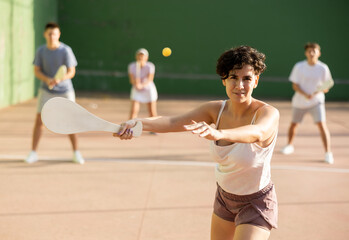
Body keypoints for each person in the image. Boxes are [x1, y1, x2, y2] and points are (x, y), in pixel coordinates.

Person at [115, 46, 279, 240]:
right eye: (233, 77)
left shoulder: (267, 113)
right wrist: (136, 124)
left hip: (256, 202)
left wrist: (219, 133)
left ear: (256, 81)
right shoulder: (215, 109)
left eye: (247, 78)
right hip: (225, 198)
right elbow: (172, 122)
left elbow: (257, 132)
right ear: (224, 79)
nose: (240, 85)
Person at [25, 22, 84, 164]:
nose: (52, 36)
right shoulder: (41, 51)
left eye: (55, 34)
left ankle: (76, 153)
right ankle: (33, 153)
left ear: (59, 35)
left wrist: (59, 79)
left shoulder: (66, 51)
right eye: (49, 34)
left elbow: (71, 72)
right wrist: (47, 79)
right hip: (46, 90)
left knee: (72, 121)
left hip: (65, 90)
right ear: (45, 35)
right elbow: (37, 70)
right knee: (39, 120)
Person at [280, 42, 334, 164]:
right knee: (294, 124)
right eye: (309, 51)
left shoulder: (323, 68)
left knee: (322, 125)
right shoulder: (299, 67)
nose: (311, 53)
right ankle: (289, 145)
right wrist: (305, 94)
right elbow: (295, 85)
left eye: (314, 51)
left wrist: (316, 92)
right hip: (299, 102)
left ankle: (328, 153)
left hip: (317, 102)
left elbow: (327, 86)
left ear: (319, 53)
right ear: (306, 53)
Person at [128, 48, 158, 120]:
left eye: (142, 55)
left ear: (146, 57)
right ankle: (129, 129)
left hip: (148, 90)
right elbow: (131, 80)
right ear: (136, 56)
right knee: (133, 111)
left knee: (152, 112)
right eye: (139, 55)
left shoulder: (150, 66)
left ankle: (154, 128)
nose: (140, 57)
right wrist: (136, 83)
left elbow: (150, 79)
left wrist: (142, 85)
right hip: (136, 89)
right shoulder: (131, 66)